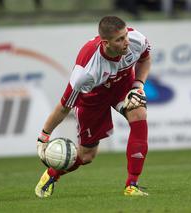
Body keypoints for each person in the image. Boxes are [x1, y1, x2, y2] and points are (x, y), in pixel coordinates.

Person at [35, 16, 151, 198]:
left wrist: (138, 85)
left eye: (125, 36)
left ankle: (132, 185)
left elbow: (145, 59)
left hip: (122, 86)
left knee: (139, 113)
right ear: (106, 43)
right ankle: (52, 174)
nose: (126, 42)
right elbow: (64, 107)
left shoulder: (136, 39)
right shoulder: (85, 72)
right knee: (86, 156)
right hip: (92, 99)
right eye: (119, 40)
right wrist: (43, 136)